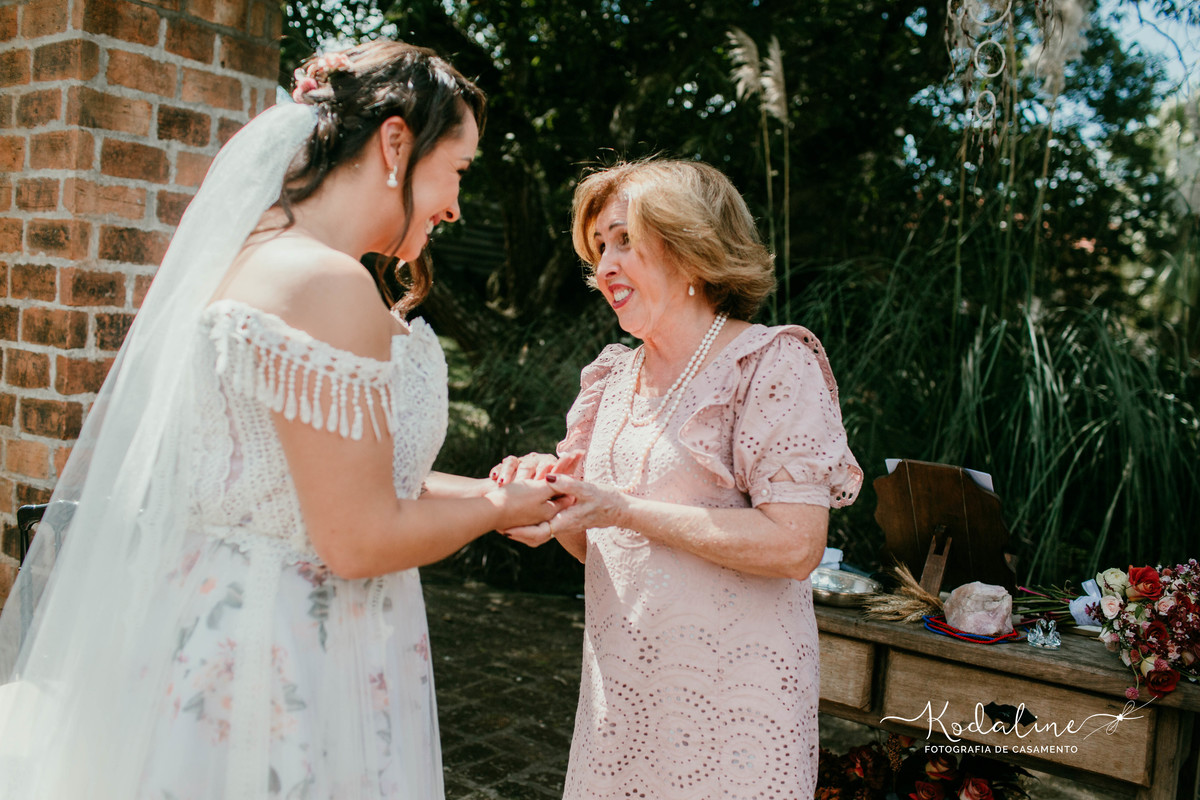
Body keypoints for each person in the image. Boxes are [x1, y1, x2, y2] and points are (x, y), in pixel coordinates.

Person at [0, 40, 564, 799]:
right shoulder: (327, 284)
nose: (457, 205)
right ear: (395, 142)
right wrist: (497, 509)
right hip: (289, 659)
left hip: (215, 631)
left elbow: (320, 478)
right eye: (457, 170)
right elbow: (358, 539)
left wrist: (499, 496)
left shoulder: (257, 254)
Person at [494, 159, 863, 799]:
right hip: (622, 705)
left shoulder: (771, 363)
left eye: (624, 240)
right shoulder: (611, 378)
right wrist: (549, 500)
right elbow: (595, 543)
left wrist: (621, 508)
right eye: (599, 247)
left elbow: (795, 546)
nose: (604, 265)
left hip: (734, 713)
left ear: (693, 249)